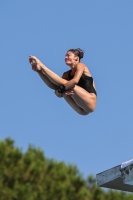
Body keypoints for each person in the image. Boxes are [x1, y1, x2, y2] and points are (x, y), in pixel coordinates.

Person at [29, 48, 97, 115]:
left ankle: (42, 66)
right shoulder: (66, 74)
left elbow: (75, 81)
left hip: (90, 101)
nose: (65, 57)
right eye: (65, 56)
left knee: (69, 85)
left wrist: (62, 89)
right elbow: (57, 91)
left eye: (68, 55)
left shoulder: (81, 65)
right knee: (64, 89)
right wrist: (59, 91)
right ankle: (39, 70)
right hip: (81, 111)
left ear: (76, 58)